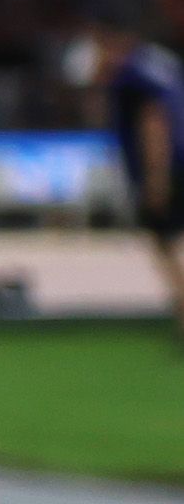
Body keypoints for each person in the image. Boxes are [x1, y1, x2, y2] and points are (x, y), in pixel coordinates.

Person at [83, 19, 184, 328]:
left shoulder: (131, 75)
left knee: (162, 240)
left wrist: (156, 178)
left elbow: (154, 123)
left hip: (171, 165)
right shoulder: (161, 60)